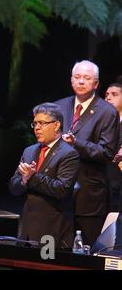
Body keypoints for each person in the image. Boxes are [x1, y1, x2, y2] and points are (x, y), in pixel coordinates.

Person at [55, 60, 120, 246]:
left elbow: (107, 153)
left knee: (85, 248)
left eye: (86, 78)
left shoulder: (107, 112)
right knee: (53, 249)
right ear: (71, 80)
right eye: (77, 77)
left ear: (96, 84)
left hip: (88, 193)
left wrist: (76, 143)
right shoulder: (58, 107)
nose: (81, 81)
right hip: (58, 190)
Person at [9, 103, 80, 249]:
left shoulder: (68, 154)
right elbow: (13, 187)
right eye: (34, 123)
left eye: (42, 123)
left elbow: (62, 190)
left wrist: (32, 177)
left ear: (56, 125)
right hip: (26, 230)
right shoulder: (29, 151)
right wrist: (23, 180)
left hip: (52, 230)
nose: (37, 128)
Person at [104, 81, 122, 212]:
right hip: (103, 181)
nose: (108, 97)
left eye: (114, 94)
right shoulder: (103, 123)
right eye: (106, 94)